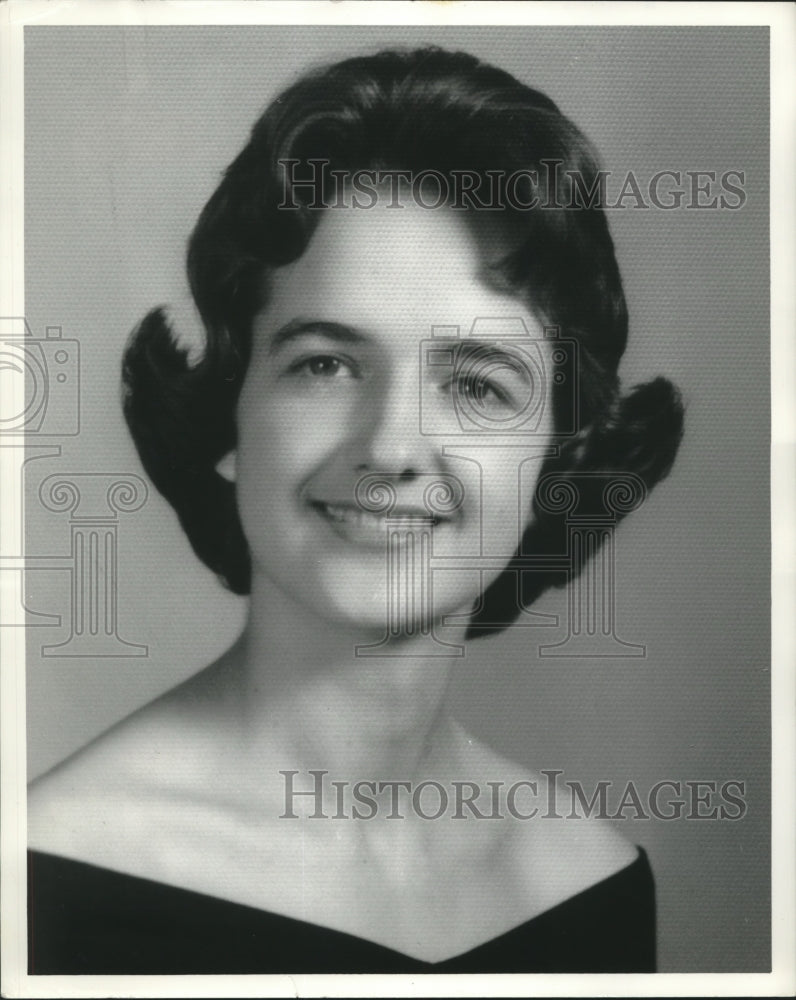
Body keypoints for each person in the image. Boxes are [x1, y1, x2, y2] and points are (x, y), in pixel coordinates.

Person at [27, 46, 683, 974]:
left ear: (557, 454)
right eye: (325, 365)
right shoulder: (46, 879)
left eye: (478, 385)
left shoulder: (588, 879)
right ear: (233, 411)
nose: (389, 448)